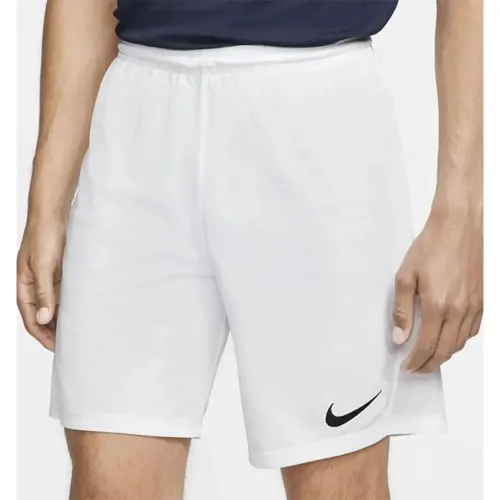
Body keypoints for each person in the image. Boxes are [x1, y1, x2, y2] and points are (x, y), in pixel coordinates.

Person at [17, 1, 483, 499]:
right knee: (107, 482)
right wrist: (46, 203)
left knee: (338, 485)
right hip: (137, 116)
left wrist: (462, 210)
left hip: (318, 112)